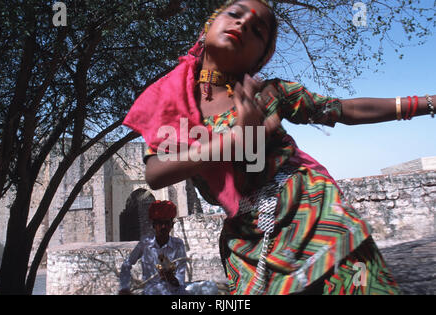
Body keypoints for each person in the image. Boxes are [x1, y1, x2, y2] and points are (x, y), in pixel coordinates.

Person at [123, 0, 435, 295]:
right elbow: (156, 172)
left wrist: (428, 103)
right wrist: (234, 139)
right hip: (249, 247)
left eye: (258, 29)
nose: (244, 22)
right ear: (205, 30)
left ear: (260, 56)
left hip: (321, 222)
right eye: (235, 13)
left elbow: (345, 110)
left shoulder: (271, 94)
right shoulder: (173, 105)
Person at [118, 200, 187, 295]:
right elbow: (127, 264)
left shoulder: (178, 245)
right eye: (159, 223)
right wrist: (124, 287)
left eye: (167, 223)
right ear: (154, 225)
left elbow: (180, 279)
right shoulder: (145, 244)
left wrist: (171, 278)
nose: (163, 227)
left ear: (172, 225)